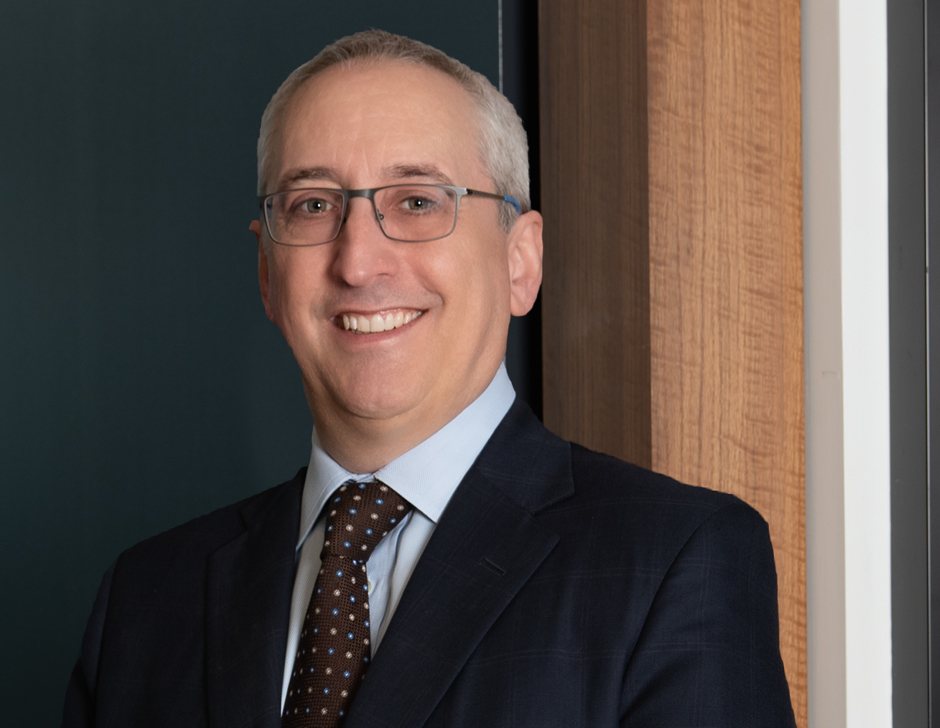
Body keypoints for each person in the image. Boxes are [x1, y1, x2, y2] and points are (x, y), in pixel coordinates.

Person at [62, 30, 796, 727]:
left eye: (416, 201)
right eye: (313, 205)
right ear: (266, 273)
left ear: (520, 261)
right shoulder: (146, 599)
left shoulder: (673, 562)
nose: (358, 263)